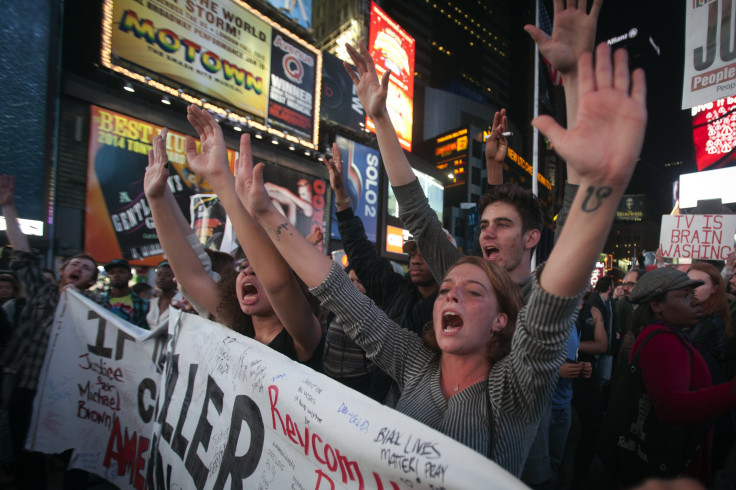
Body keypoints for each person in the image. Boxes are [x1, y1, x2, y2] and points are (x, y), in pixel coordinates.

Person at [239, 40, 648, 476]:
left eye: (473, 291)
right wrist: (266, 213)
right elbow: (343, 293)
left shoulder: (514, 385)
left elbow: (557, 290)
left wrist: (596, 184)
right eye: (446, 288)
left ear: (502, 319)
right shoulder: (414, 362)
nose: (449, 296)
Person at [143, 121, 322, 366]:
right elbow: (191, 276)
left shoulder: (304, 338)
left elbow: (277, 282)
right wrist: (157, 198)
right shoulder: (233, 326)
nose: (247, 270)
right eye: (242, 268)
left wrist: (220, 178)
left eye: (257, 269)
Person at [0, 174, 108, 489]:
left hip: (70, 395)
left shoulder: (96, 309)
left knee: (73, 459)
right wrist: (8, 209)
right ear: (63, 271)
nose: (79, 268)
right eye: (74, 264)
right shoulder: (43, 294)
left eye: (86, 268)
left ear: (89, 281)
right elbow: (22, 255)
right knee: (26, 458)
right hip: (27, 388)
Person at [327, 143, 437, 401]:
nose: (416, 259)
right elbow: (360, 254)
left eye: (425, 253)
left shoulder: (457, 302)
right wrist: (341, 195)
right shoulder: (395, 289)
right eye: (412, 253)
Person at [622, 267, 736, 485]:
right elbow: (672, 408)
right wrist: (731, 391)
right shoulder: (662, 340)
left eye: (692, 294)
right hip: (672, 465)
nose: (694, 302)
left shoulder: (666, 335)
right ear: (656, 305)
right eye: (684, 296)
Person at [687, 262, 732, 365]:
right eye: (689, 282)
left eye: (700, 283)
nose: (693, 288)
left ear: (714, 289)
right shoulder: (687, 314)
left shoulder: (711, 321)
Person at [102, 259, 149, 329]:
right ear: (108, 276)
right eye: (112, 272)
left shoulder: (143, 303)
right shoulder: (99, 301)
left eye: (121, 272)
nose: (116, 275)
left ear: (130, 276)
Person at [146, 261, 182, 330]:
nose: (161, 278)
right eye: (159, 275)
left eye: (167, 275)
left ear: (175, 278)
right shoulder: (152, 301)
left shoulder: (181, 301)